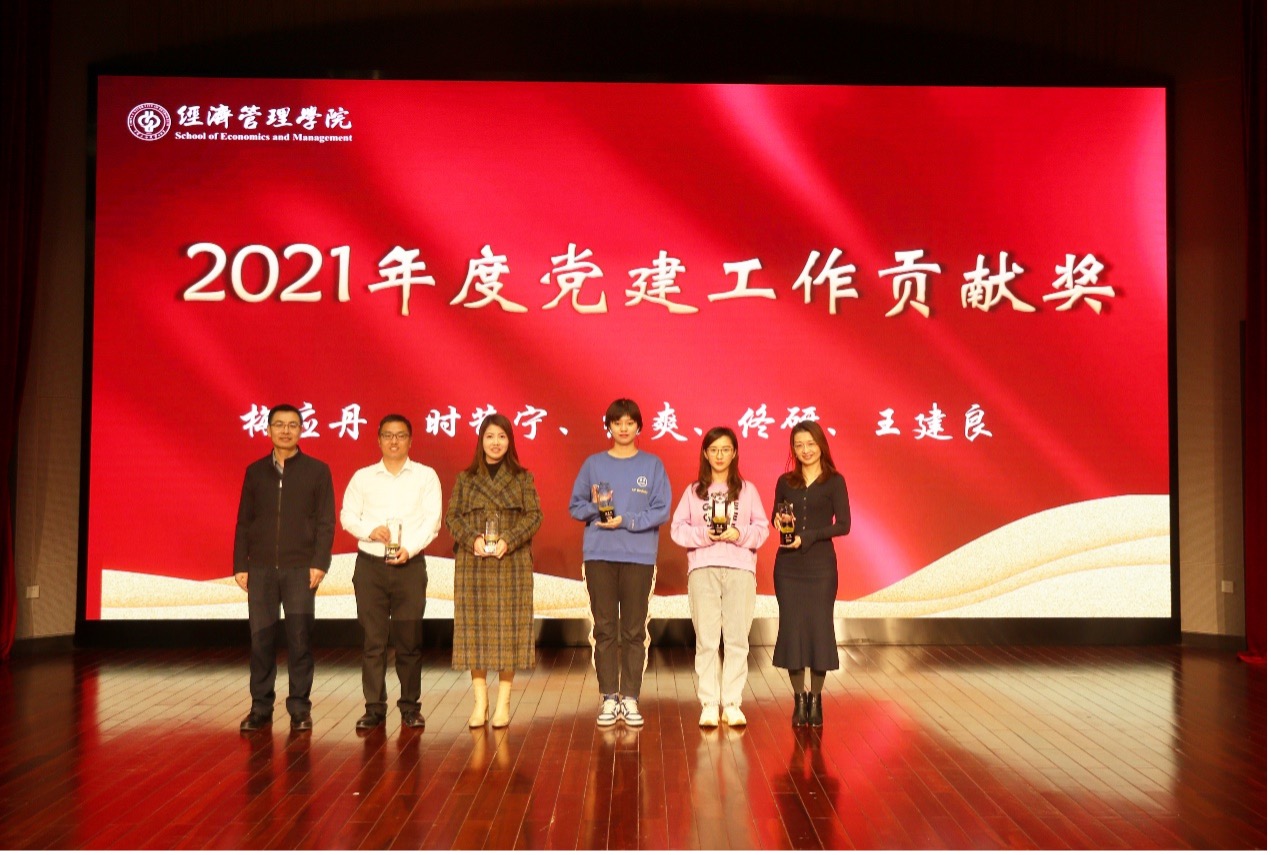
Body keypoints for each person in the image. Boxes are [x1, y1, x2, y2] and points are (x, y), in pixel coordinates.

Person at [568, 398, 671, 728]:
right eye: (617, 423)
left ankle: (630, 697)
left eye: (629, 422)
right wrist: (598, 510)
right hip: (599, 555)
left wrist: (627, 520)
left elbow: (661, 510)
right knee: (604, 628)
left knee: (634, 630)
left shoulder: (652, 465)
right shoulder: (594, 464)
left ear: (639, 426)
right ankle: (609, 697)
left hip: (639, 556)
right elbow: (575, 506)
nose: (623, 428)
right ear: (608, 426)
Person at [233, 403, 336, 732]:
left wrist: (319, 562)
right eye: (279, 425)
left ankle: (299, 708)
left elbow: (325, 522)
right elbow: (244, 521)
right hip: (261, 570)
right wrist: (241, 563)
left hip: (300, 570)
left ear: (301, 430)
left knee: (300, 641)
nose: (286, 431)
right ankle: (260, 707)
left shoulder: (317, 471)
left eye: (293, 425)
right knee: (261, 641)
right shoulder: (255, 471)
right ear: (268, 430)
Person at [340, 414, 442, 730]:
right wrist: (370, 531)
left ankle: (410, 707)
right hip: (370, 566)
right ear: (379, 440)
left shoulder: (425, 476)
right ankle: (374, 708)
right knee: (373, 641)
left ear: (410, 440)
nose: (394, 441)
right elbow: (347, 516)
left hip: (410, 566)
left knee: (409, 641)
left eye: (400, 435)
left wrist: (408, 548)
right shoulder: (363, 477)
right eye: (388, 435)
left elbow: (432, 521)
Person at [445, 413, 543, 728]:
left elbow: (534, 516)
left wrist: (509, 540)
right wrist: (472, 539)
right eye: (490, 437)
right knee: (474, 632)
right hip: (473, 564)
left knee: (508, 633)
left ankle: (503, 703)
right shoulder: (466, 478)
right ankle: (480, 702)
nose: (496, 443)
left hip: (510, 563)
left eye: (502, 436)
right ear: (481, 441)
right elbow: (452, 518)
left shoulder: (522, 478)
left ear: (509, 441)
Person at [670, 426, 769, 728]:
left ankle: (733, 703)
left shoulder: (747, 490)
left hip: (740, 569)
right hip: (703, 569)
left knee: (737, 638)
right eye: (714, 450)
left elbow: (762, 529)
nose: (720, 455)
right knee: (707, 639)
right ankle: (710, 703)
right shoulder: (694, 491)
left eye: (725, 449)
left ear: (734, 453)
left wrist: (739, 533)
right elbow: (677, 529)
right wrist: (705, 535)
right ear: (705, 453)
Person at [771, 420, 851, 728]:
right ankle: (798, 699)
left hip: (820, 567)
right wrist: (779, 521)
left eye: (810, 444)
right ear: (793, 449)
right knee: (792, 631)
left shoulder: (835, 481)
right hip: (788, 567)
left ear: (821, 446)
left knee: (819, 630)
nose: (805, 450)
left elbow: (843, 525)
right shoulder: (785, 481)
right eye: (799, 445)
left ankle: (816, 698)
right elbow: (776, 514)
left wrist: (809, 536)